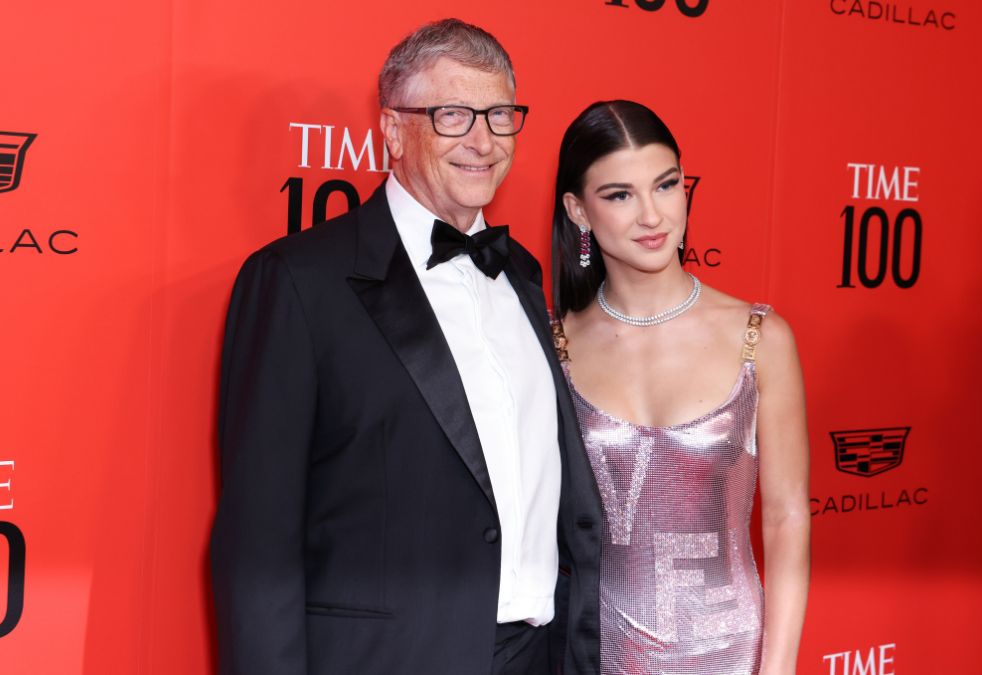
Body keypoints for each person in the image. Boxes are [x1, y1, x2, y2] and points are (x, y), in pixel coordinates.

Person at [211, 19, 602, 675]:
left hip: (536, 655)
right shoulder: (298, 282)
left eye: (499, 115)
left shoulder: (524, 275)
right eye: (453, 115)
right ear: (392, 131)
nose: (483, 140)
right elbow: (258, 541)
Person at [548, 100, 810, 675]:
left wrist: (779, 667)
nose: (652, 215)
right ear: (578, 211)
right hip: (596, 655)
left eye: (666, 185)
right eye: (620, 195)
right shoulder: (554, 346)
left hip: (732, 655)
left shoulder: (759, 338)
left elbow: (787, 516)